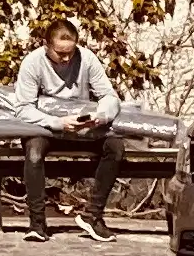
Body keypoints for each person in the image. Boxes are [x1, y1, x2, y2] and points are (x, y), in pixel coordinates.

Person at [9, 33, 124, 240]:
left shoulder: (87, 58)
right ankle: (37, 223)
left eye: (70, 52)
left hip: (82, 128)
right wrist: (57, 122)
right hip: (46, 128)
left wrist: (101, 116)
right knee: (33, 153)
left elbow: (108, 95)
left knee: (115, 148)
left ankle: (93, 217)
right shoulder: (32, 62)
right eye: (60, 53)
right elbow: (23, 109)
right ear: (47, 46)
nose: (66, 59)